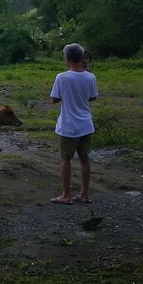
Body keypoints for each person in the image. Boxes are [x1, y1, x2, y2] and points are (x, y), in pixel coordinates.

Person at [50, 42, 98, 204]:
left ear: (68, 58)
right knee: (85, 159)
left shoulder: (61, 77)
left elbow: (54, 99)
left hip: (68, 127)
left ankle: (66, 195)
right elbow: (92, 97)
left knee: (65, 159)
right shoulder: (91, 76)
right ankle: (84, 194)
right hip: (86, 125)